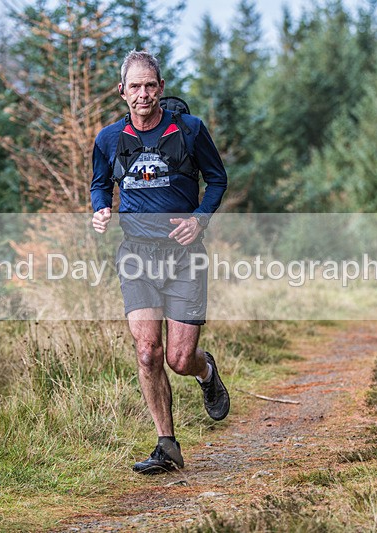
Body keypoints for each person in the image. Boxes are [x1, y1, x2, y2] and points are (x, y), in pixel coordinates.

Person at [90, 50, 230, 475]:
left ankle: (206, 372)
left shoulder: (189, 130)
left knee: (178, 359)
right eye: (135, 86)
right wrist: (101, 208)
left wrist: (199, 219)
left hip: (184, 256)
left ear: (161, 87)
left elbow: (217, 179)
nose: (143, 94)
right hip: (136, 255)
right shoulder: (109, 139)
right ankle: (166, 445)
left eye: (150, 85)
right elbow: (99, 183)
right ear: (122, 91)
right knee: (148, 352)